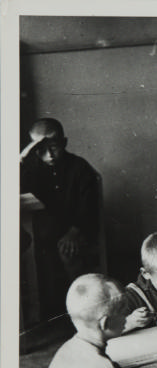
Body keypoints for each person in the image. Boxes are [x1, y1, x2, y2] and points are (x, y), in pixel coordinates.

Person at [20, 118, 101, 317]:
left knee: (67, 251)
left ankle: (83, 308)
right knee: (33, 249)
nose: (49, 155)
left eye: (54, 147)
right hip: (47, 230)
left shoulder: (79, 167)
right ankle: (49, 309)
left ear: (64, 143)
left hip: (78, 228)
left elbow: (87, 207)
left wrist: (74, 231)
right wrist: (23, 156)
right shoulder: (32, 170)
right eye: (41, 149)